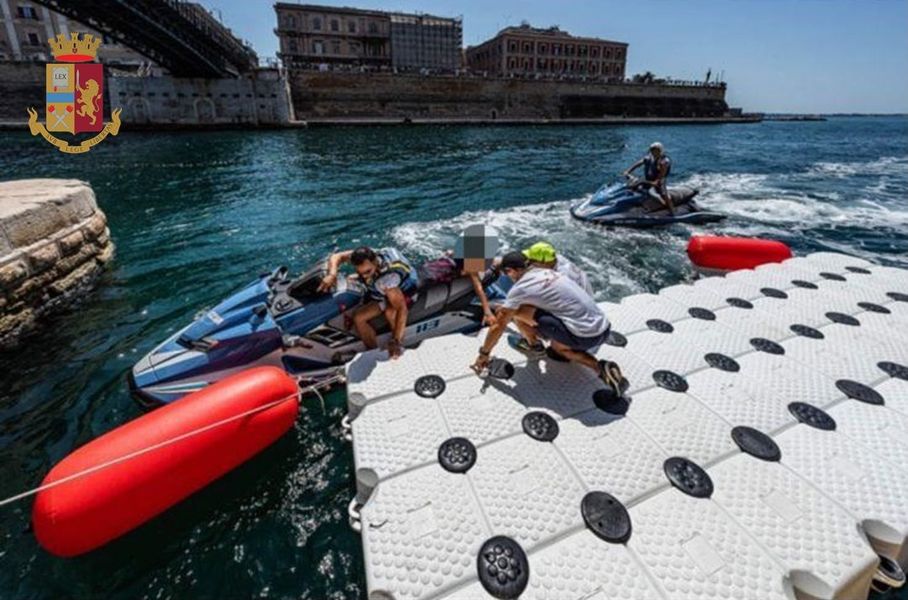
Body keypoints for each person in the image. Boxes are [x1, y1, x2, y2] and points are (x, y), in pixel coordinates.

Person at [471, 251, 627, 396]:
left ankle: (534, 346)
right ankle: (601, 368)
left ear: (511, 271)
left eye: (506, 273)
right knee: (558, 348)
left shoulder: (521, 287)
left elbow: (499, 325)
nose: (507, 276)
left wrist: (484, 354)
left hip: (583, 336)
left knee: (510, 311)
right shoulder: (551, 272)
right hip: (603, 328)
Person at [317, 246, 417, 358]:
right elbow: (337, 256)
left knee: (388, 312)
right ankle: (373, 351)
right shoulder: (368, 255)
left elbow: (401, 309)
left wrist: (396, 340)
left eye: (367, 272)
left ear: (374, 261)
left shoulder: (388, 280)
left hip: (402, 289)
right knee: (351, 282)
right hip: (383, 282)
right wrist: (332, 274)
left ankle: (398, 345)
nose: (364, 276)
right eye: (360, 272)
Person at [522, 242, 593, 297]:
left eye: (532, 261)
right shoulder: (556, 258)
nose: (530, 263)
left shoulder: (563, 275)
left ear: (544, 262)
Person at [624, 142, 674, 215]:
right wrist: (628, 171)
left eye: (655, 150)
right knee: (633, 187)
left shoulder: (664, 161)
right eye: (652, 150)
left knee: (662, 194)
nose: (653, 152)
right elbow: (638, 164)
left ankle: (671, 211)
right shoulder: (649, 157)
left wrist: (655, 182)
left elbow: (661, 176)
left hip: (659, 182)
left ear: (660, 150)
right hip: (649, 180)